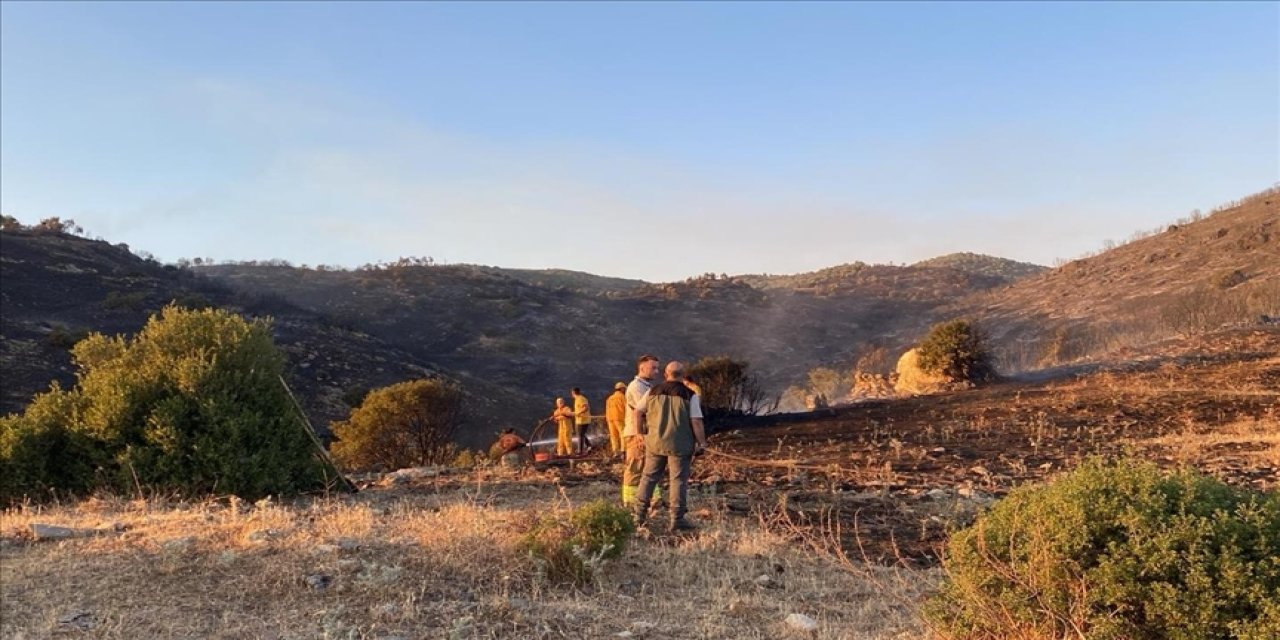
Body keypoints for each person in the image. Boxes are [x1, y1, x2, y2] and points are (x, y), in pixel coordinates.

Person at [632, 361, 708, 531]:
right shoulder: (690, 394)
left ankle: (639, 517)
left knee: (649, 477)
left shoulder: (653, 391)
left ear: (666, 374)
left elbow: (637, 411)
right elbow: (696, 421)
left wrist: (639, 433)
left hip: (654, 443)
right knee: (678, 480)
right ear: (683, 375)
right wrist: (702, 443)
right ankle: (677, 520)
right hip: (680, 445)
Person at [621, 354, 661, 505]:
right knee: (635, 466)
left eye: (657, 368)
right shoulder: (636, 387)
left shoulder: (647, 386)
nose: (656, 371)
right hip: (636, 434)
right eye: (653, 368)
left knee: (648, 466)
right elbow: (646, 410)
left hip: (645, 433)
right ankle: (630, 501)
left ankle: (651, 498)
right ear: (642, 367)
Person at [605, 382, 627, 457]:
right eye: (624, 389)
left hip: (610, 419)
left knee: (613, 436)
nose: (625, 390)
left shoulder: (609, 398)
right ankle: (623, 451)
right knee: (622, 434)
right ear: (621, 389)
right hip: (619, 418)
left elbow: (607, 409)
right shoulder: (622, 397)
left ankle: (615, 452)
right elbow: (627, 407)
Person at [571, 387, 591, 454]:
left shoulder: (580, 399)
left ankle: (580, 451)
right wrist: (575, 413)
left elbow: (585, 408)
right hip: (581, 420)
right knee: (581, 434)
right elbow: (580, 409)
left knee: (579, 435)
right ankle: (589, 445)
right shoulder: (579, 399)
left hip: (582, 420)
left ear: (573, 392)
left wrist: (578, 413)